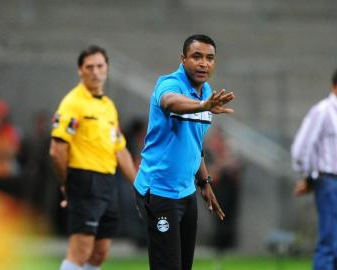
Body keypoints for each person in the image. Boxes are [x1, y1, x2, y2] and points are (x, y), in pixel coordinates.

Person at [134, 34, 235, 270]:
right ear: (183, 59)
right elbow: (169, 102)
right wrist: (203, 106)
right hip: (159, 191)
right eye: (197, 56)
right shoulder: (169, 84)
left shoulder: (206, 91)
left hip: (186, 192)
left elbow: (194, 143)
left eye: (210, 58)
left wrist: (204, 182)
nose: (203, 63)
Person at [49, 45, 137, 270]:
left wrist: (139, 183)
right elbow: (57, 150)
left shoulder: (108, 106)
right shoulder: (72, 103)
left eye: (100, 66)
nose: (95, 71)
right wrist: (67, 184)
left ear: (107, 68)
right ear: (80, 70)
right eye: (90, 67)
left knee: (100, 252)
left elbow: (120, 149)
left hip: (108, 182)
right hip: (84, 179)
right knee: (81, 249)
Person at [291, 66, 337, 270]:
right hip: (333, 184)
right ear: (334, 87)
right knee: (329, 245)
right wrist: (309, 177)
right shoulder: (323, 111)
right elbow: (301, 147)